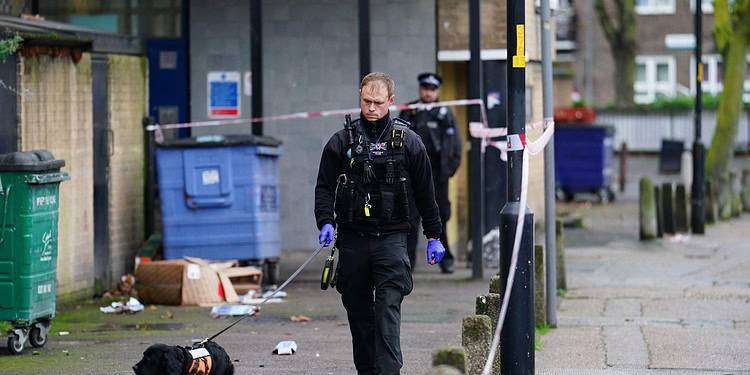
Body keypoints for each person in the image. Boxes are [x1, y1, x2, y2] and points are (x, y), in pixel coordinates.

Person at [314, 72, 446, 374]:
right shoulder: (342, 141)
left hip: (392, 239)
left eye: (377, 102)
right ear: (359, 97)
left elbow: (427, 192)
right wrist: (325, 221)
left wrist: (434, 235)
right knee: (360, 317)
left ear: (391, 101)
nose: (371, 108)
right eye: (366, 101)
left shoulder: (409, 142)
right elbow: (324, 186)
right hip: (353, 239)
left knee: (387, 313)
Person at [398, 72, 462, 274]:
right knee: (410, 218)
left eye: (432, 89)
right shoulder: (409, 111)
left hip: (436, 175)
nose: (428, 93)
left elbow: (455, 147)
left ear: (438, 91)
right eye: (425, 88)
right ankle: (408, 262)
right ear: (420, 89)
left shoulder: (444, 113)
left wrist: (448, 172)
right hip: (411, 176)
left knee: (440, 216)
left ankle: (445, 258)